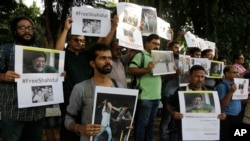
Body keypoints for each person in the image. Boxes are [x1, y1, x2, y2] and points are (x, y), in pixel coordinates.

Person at [0, 16, 47, 141]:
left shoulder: (41, 51)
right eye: (22, 28)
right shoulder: (6, 49)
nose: (27, 31)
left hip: (37, 114)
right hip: (13, 113)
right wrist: (3, 76)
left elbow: (47, 75)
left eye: (30, 28)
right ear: (15, 31)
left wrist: (57, 76)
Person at [64, 43, 123, 141]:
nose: (108, 61)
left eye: (110, 58)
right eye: (103, 58)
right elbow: (68, 119)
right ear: (92, 64)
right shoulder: (80, 88)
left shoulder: (119, 87)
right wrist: (80, 128)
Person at [167, 65, 226, 141]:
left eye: (202, 77)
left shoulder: (211, 91)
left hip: (206, 132)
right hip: (186, 132)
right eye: (197, 76)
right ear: (190, 77)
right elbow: (168, 105)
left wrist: (221, 115)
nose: (200, 79)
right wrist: (173, 113)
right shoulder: (181, 91)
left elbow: (217, 110)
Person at [55, 17, 91, 141]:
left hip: (85, 94)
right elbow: (57, 52)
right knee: (67, 125)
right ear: (69, 41)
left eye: (83, 41)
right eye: (77, 40)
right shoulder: (64, 54)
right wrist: (66, 29)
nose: (80, 43)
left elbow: (103, 43)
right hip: (68, 95)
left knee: (84, 124)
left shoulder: (86, 55)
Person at [128, 34, 162, 141]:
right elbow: (130, 70)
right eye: (154, 43)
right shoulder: (141, 55)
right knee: (142, 124)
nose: (157, 46)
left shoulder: (160, 57)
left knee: (151, 124)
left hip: (156, 96)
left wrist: (171, 69)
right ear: (146, 43)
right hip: (145, 96)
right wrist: (147, 70)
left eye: (158, 44)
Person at [160, 41, 181, 141]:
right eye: (176, 47)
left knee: (174, 119)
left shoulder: (181, 60)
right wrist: (175, 73)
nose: (178, 50)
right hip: (168, 93)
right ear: (170, 48)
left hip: (178, 93)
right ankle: (163, 138)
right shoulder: (165, 59)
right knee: (166, 118)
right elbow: (163, 76)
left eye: (178, 48)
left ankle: (172, 138)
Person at [215, 65, 242, 141]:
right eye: (234, 72)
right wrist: (230, 92)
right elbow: (221, 105)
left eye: (237, 72)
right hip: (227, 118)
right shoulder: (221, 86)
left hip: (236, 116)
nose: (237, 74)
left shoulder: (236, 84)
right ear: (226, 73)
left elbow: (240, 101)